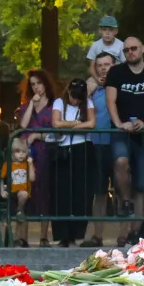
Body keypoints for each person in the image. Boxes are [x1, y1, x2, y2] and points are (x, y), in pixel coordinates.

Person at [104, 36, 144, 244]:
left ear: (142, 49)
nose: (130, 52)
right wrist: (119, 123)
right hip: (122, 131)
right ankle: (126, 202)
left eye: (134, 49)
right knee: (120, 162)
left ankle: (136, 233)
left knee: (143, 185)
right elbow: (110, 101)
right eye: (127, 49)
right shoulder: (116, 72)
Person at [50, 77, 95, 247]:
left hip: (82, 148)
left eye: (78, 97)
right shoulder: (59, 103)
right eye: (73, 96)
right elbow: (56, 123)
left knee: (80, 193)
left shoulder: (88, 103)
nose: (75, 100)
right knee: (62, 193)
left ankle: (77, 233)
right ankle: (62, 235)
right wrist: (77, 124)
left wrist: (68, 125)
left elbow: (91, 123)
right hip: (63, 150)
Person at [15, 71, 54, 244]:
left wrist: (38, 135)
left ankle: (44, 236)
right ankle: (22, 236)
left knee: (45, 193)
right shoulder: (25, 106)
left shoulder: (54, 106)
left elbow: (55, 132)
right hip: (26, 154)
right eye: (32, 84)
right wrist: (31, 103)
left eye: (39, 83)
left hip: (45, 152)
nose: (36, 87)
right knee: (24, 192)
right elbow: (23, 125)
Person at [84, 51, 116, 245]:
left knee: (121, 191)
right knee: (99, 192)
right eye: (100, 65)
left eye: (107, 64)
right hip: (95, 142)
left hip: (117, 141)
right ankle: (97, 235)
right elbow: (78, 104)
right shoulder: (92, 85)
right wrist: (92, 85)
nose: (104, 68)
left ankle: (124, 234)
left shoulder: (119, 85)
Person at [0, 135, 35, 245]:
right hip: (12, 194)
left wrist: (30, 164)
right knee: (12, 219)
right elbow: (0, 178)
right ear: (12, 153)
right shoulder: (8, 165)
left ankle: (21, 239)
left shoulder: (27, 164)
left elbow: (32, 178)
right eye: (17, 151)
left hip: (24, 194)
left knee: (23, 216)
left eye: (23, 152)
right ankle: (12, 239)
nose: (21, 154)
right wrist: (1, 190)